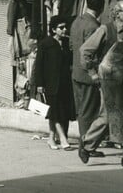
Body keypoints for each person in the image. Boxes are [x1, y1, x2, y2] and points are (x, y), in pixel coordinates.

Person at [79, 0, 123, 167]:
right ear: (117, 14)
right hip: (110, 80)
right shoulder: (105, 30)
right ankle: (87, 145)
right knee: (109, 116)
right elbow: (85, 51)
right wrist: (92, 74)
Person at [35, 16, 74, 150]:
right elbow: (38, 65)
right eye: (61, 28)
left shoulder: (67, 43)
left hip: (64, 84)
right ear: (53, 29)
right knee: (55, 111)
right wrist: (39, 84)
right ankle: (63, 139)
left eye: (65, 27)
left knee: (58, 112)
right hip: (50, 84)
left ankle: (51, 138)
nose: (64, 30)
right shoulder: (45, 44)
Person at [70, 0, 105, 140]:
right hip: (88, 74)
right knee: (89, 110)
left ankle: (85, 141)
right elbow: (91, 53)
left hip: (76, 72)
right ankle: (87, 143)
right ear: (101, 7)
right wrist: (94, 72)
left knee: (82, 109)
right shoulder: (93, 26)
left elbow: (72, 45)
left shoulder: (77, 21)